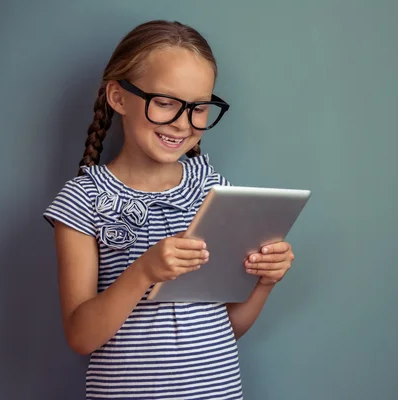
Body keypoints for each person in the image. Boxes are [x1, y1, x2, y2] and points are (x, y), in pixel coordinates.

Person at [43, 20, 295, 400]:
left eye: (198, 108)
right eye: (164, 102)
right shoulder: (84, 199)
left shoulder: (213, 189)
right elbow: (81, 337)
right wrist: (143, 271)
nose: (182, 123)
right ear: (118, 97)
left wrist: (265, 281)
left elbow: (227, 327)